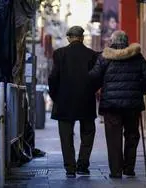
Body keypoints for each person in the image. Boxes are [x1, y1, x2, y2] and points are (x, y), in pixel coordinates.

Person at [89, 30, 146, 178]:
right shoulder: (136, 56)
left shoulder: (104, 57)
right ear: (127, 41)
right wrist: (140, 90)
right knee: (132, 136)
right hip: (132, 104)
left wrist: (99, 88)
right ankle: (129, 168)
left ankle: (116, 171)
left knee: (113, 138)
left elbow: (94, 77)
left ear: (112, 42)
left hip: (111, 106)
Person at [48, 26, 98, 178]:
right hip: (86, 100)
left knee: (66, 135)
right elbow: (97, 78)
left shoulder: (59, 54)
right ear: (82, 38)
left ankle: (70, 167)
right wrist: (91, 92)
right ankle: (82, 165)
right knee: (88, 132)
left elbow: (53, 78)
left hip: (64, 101)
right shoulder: (92, 55)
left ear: (69, 38)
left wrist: (55, 96)